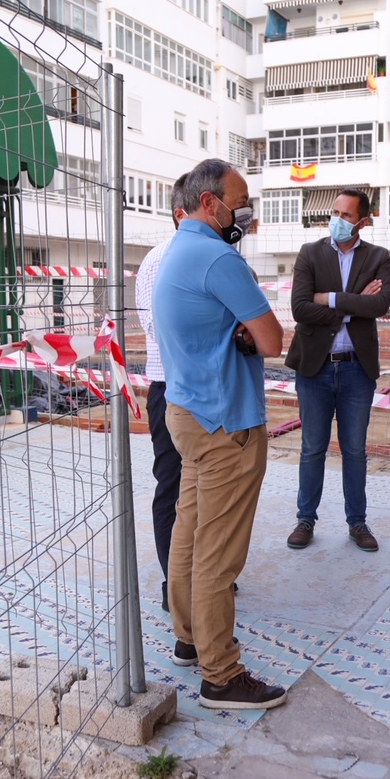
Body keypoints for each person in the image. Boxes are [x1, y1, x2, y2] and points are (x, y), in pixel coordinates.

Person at [152, 158, 288, 711]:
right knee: (218, 552)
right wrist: (248, 331)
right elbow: (274, 339)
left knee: (188, 532)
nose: (246, 214)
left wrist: (241, 331)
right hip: (226, 420)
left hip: (187, 411)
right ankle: (221, 675)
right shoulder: (217, 256)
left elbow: (238, 332)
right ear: (210, 204)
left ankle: (189, 638)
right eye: (239, 202)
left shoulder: (175, 252)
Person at [284, 188, 390, 553]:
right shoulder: (310, 253)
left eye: (346, 216)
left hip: (356, 370)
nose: (337, 220)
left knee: (355, 451)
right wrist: (353, 303)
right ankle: (305, 518)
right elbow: (299, 307)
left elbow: (379, 304)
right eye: (334, 212)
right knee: (312, 448)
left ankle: (357, 523)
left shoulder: (377, 256)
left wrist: (328, 298)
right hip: (315, 369)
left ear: (363, 221)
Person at [136, 175, 188, 612]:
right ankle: (177, 582)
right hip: (175, 388)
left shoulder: (182, 256)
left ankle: (197, 576)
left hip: (178, 387)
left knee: (199, 487)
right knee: (173, 486)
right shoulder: (164, 260)